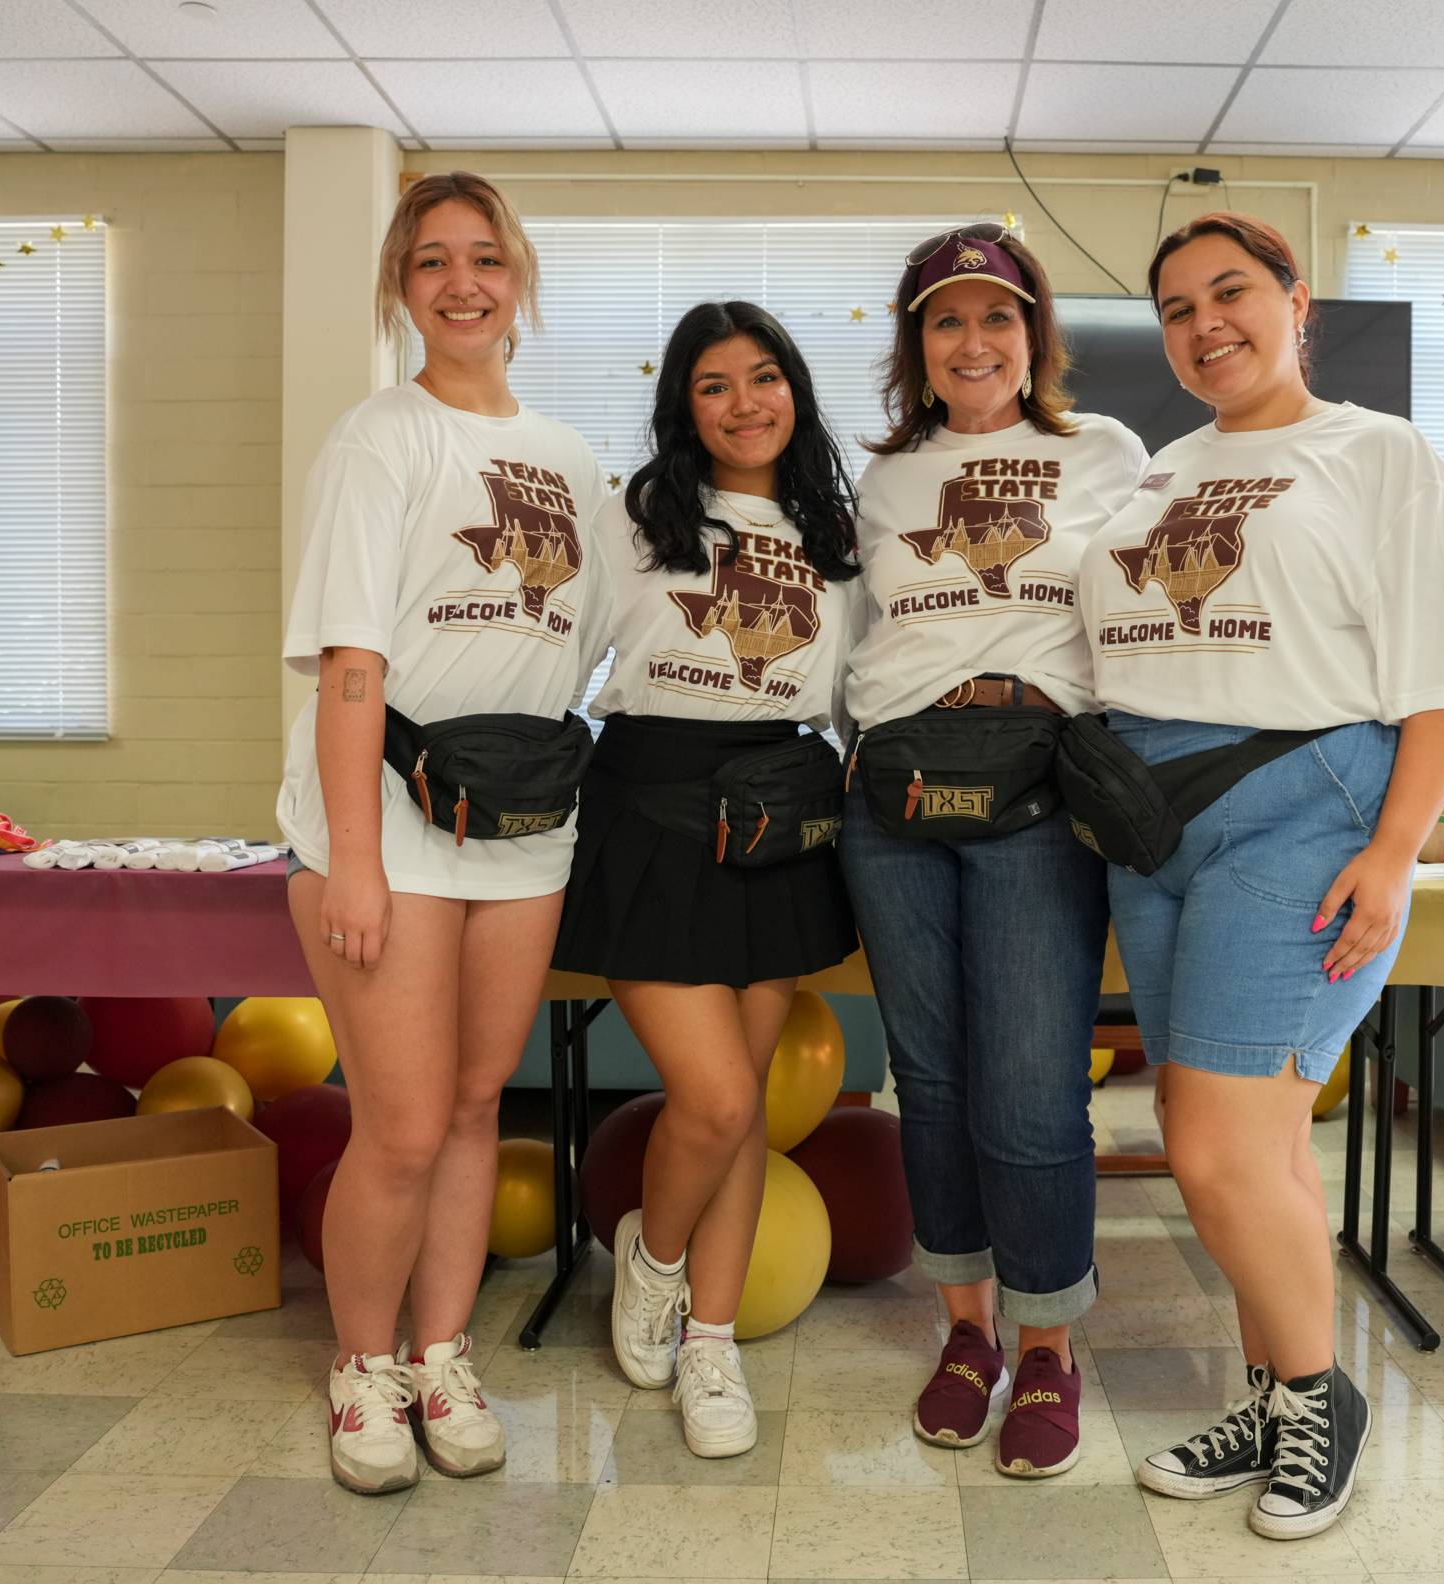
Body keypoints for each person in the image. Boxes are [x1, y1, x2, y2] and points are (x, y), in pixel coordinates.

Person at [1076, 212, 1444, 1539]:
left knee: (1205, 1147)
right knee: (1269, 1154)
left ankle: (1319, 1401)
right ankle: (1273, 1396)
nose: (1206, 324)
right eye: (1178, 307)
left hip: (1301, 814)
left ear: (1296, 302)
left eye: (1233, 292)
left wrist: (1394, 853)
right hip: (1154, 827)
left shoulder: (1379, 454)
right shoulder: (1153, 474)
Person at [275, 172, 609, 1495]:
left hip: (519, 826)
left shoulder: (573, 459)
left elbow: (574, 652)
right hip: (392, 829)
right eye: (430, 262)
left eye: (484, 257)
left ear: (520, 278)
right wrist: (354, 859)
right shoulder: (380, 438)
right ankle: (363, 1371)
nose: (461, 281)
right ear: (401, 289)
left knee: (478, 1106)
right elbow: (352, 668)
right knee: (403, 1127)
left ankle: (442, 1350)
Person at [837, 224, 1147, 1478]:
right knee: (936, 1084)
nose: (975, 341)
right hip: (895, 795)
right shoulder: (880, 479)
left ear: (1035, 336)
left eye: (998, 318)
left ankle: (1050, 1345)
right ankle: (966, 1330)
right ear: (918, 344)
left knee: (1029, 1090)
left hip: (1035, 790)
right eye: (947, 320)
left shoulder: (1108, 455)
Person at [553, 300, 862, 1458]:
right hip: (651, 805)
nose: (745, 404)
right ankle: (655, 1261)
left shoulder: (838, 532)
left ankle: (712, 1346)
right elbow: (556, 655)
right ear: (684, 405)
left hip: (781, 813)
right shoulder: (633, 516)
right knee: (720, 1098)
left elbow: (854, 693)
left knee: (743, 1117)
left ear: (797, 391)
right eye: (715, 385)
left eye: (765, 377)